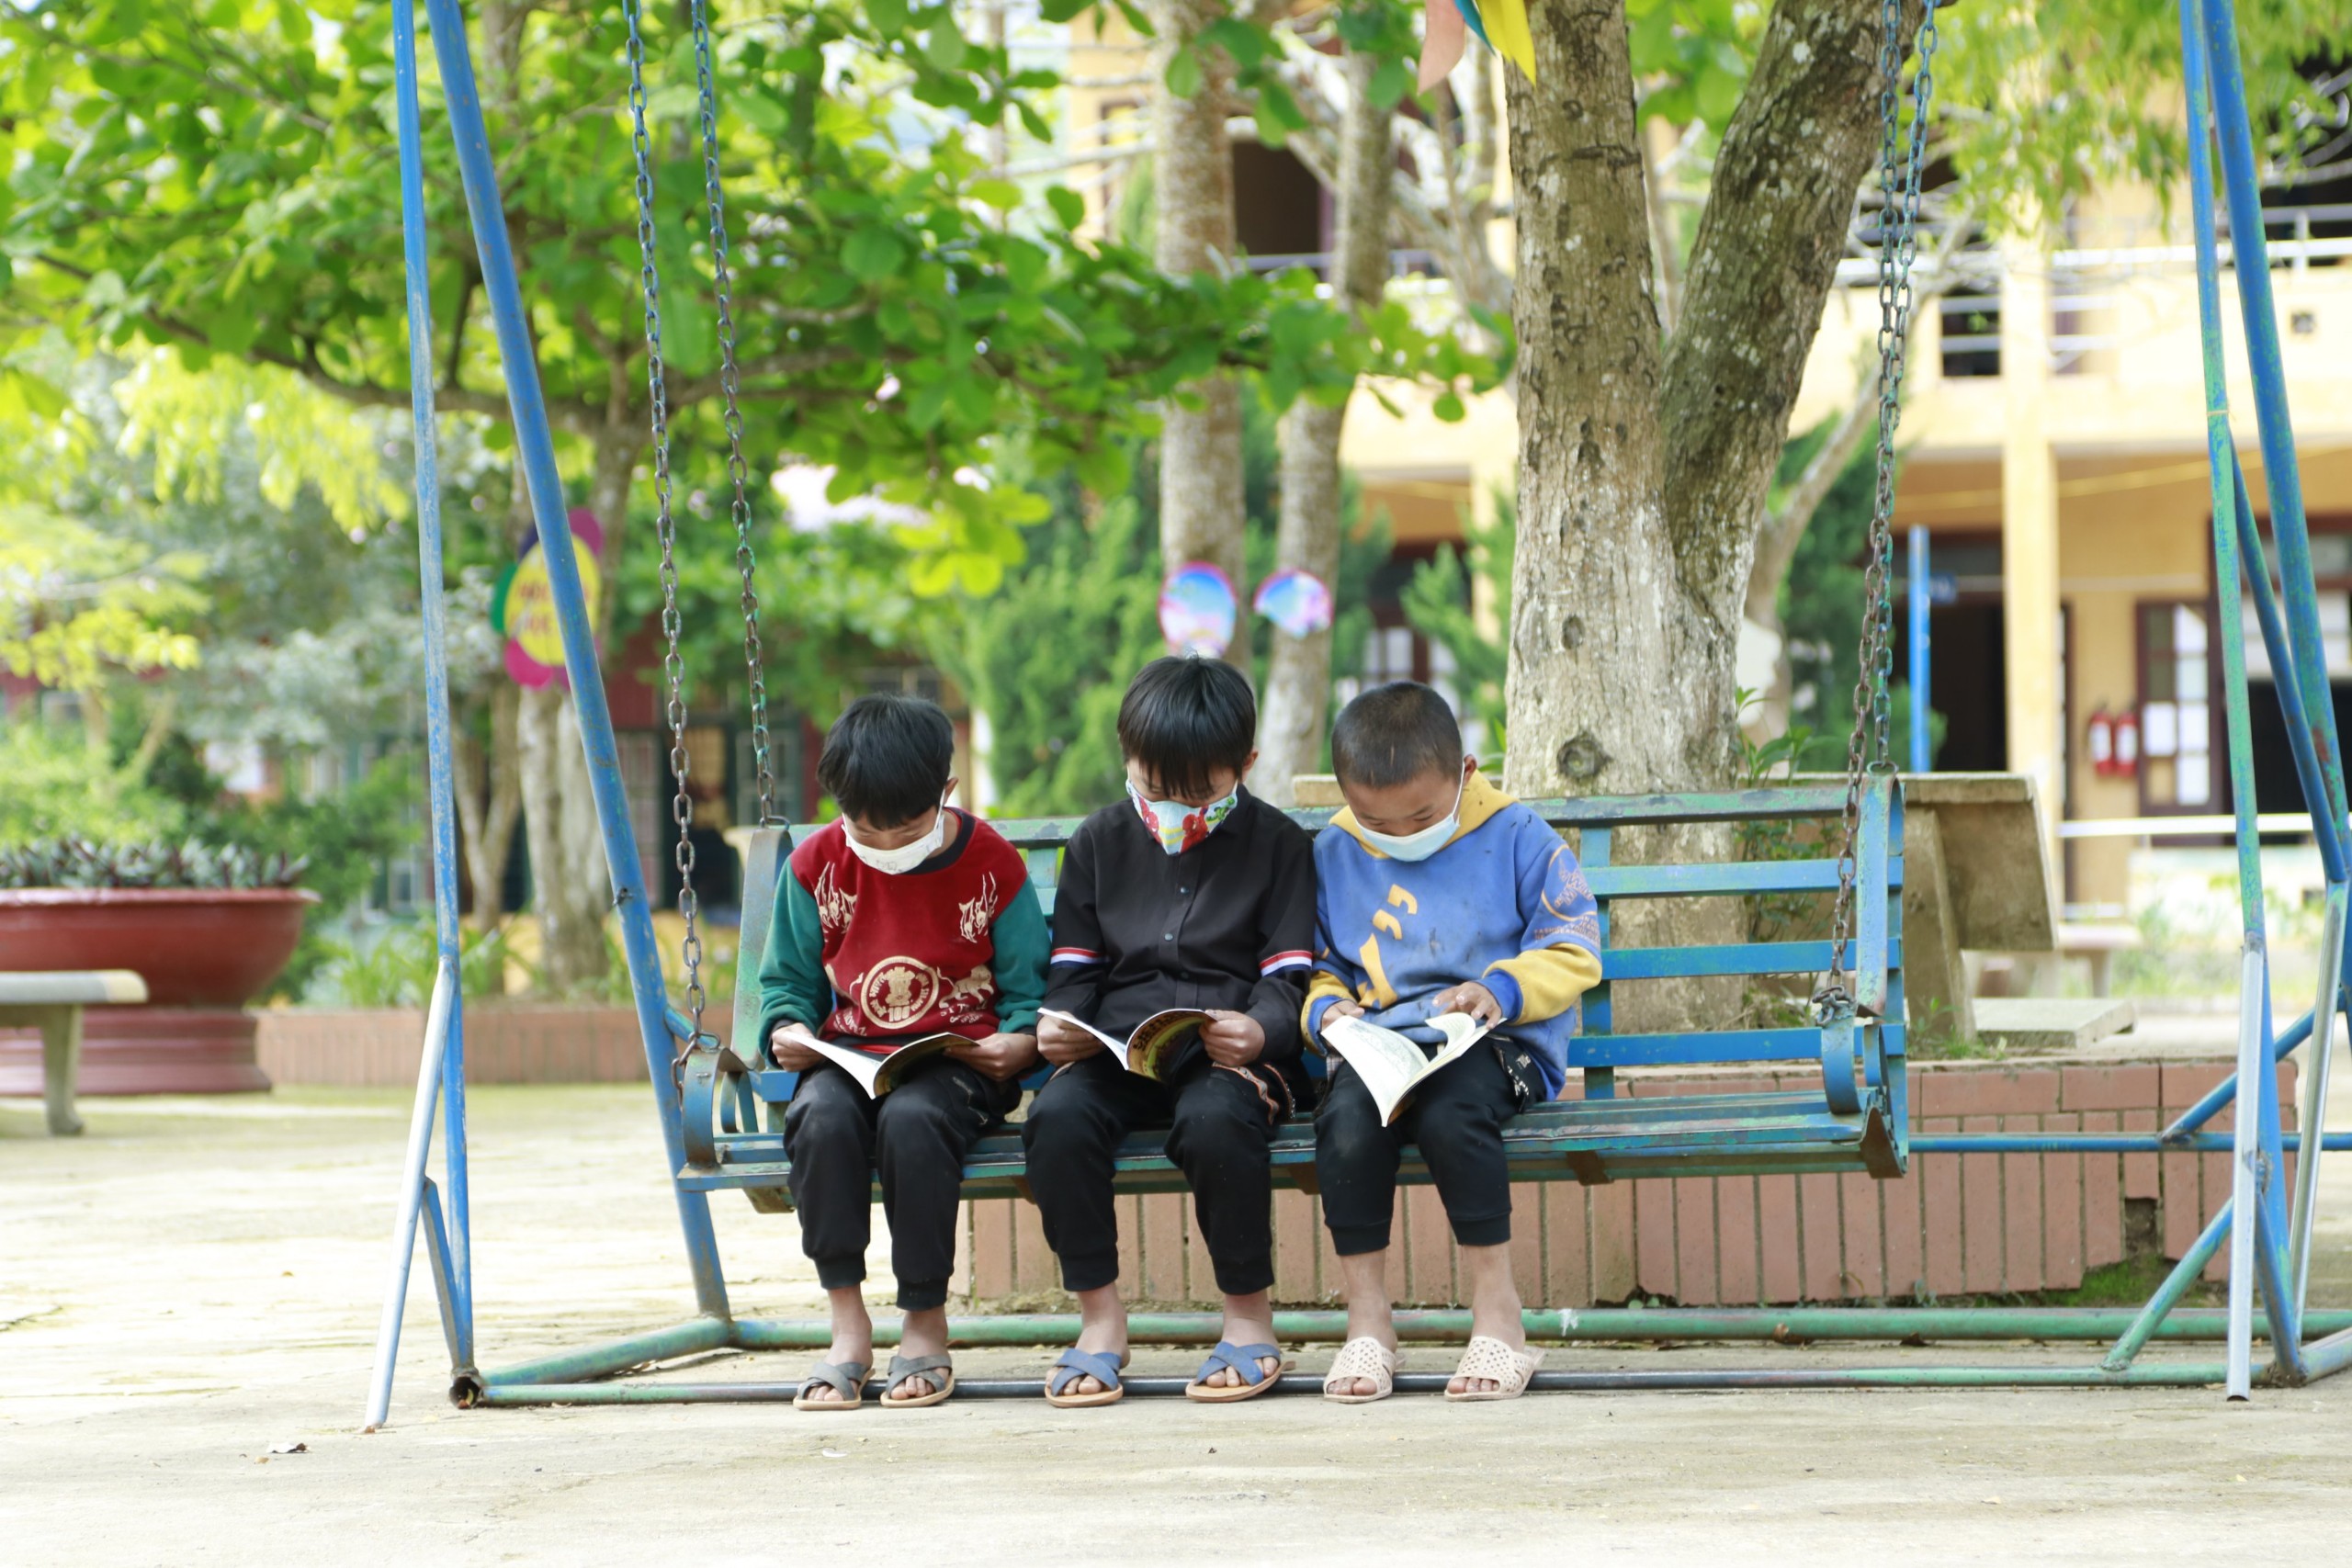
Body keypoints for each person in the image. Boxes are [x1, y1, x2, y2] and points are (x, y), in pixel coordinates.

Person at [1022, 656, 1317, 1405]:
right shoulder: (1097, 842)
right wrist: (1061, 1025)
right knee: (1057, 1117)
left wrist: (1258, 1029)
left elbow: (1288, 980)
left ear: (1246, 765)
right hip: (1119, 1052)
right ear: (1126, 757)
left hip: (1227, 1056)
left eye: (1201, 794)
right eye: (1155, 789)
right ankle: (1100, 1320)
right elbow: (1075, 974)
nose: (1175, 809)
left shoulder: (1279, 844)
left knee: (1217, 1119)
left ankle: (1247, 1317)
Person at [1305, 682, 1601, 1403]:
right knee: (1345, 1121)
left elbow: (1574, 947)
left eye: (1421, 816)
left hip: (1498, 1043)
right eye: (1376, 820)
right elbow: (1320, 962)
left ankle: (1499, 1315)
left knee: (1450, 1112)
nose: (1399, 834)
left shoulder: (1519, 834)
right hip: (1383, 1049)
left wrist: (1501, 988)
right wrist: (1327, 1008)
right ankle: (1368, 1321)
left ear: (1465, 772)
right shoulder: (1334, 850)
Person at [756, 694, 1047, 1409]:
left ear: (948, 790)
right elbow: (786, 984)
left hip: (960, 1062)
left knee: (914, 1120)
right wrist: (788, 1029)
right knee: (820, 1118)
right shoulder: (815, 866)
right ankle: (848, 1326)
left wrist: (1018, 1041)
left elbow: (1030, 987)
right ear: (839, 805)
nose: (886, 844)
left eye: (908, 828)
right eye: (865, 828)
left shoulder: (991, 863)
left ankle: (923, 1321)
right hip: (851, 1055)